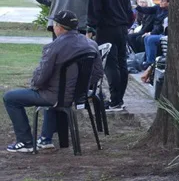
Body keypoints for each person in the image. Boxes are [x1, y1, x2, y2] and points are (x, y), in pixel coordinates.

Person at [4, 11, 104, 152]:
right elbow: (98, 72)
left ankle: (25, 142)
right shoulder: (91, 44)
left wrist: (35, 86)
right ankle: (46, 139)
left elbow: (41, 77)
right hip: (80, 95)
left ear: (59, 27)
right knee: (52, 95)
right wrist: (81, 88)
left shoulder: (54, 47)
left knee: (10, 98)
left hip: (57, 96)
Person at [88, 0, 132, 113]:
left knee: (111, 65)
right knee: (122, 63)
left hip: (106, 29)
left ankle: (115, 101)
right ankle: (119, 100)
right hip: (123, 28)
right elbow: (129, 9)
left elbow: (94, 7)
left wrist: (90, 28)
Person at [138, 0, 170, 71]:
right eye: (160, 0)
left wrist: (151, 33)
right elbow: (147, 10)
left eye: (163, 1)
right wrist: (137, 7)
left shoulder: (169, 13)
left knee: (150, 39)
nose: (160, 2)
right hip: (157, 32)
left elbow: (161, 27)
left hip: (164, 34)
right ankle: (147, 60)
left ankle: (151, 63)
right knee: (145, 38)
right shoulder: (158, 8)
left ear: (169, 2)